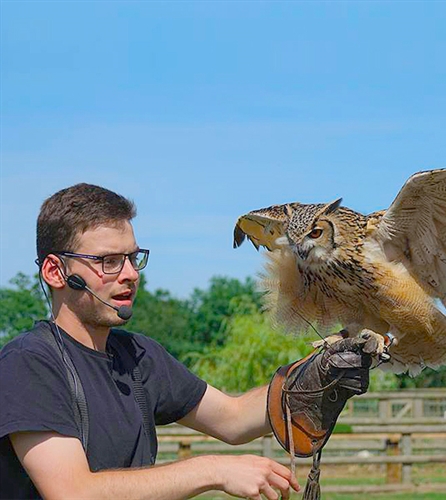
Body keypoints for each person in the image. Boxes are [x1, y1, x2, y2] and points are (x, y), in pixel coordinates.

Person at [0, 183, 301, 500]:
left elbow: (234, 418)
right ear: (56, 271)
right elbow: (74, 492)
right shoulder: (28, 363)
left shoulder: (138, 355)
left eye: (132, 257)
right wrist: (213, 469)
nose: (130, 273)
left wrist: (315, 376)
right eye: (109, 261)